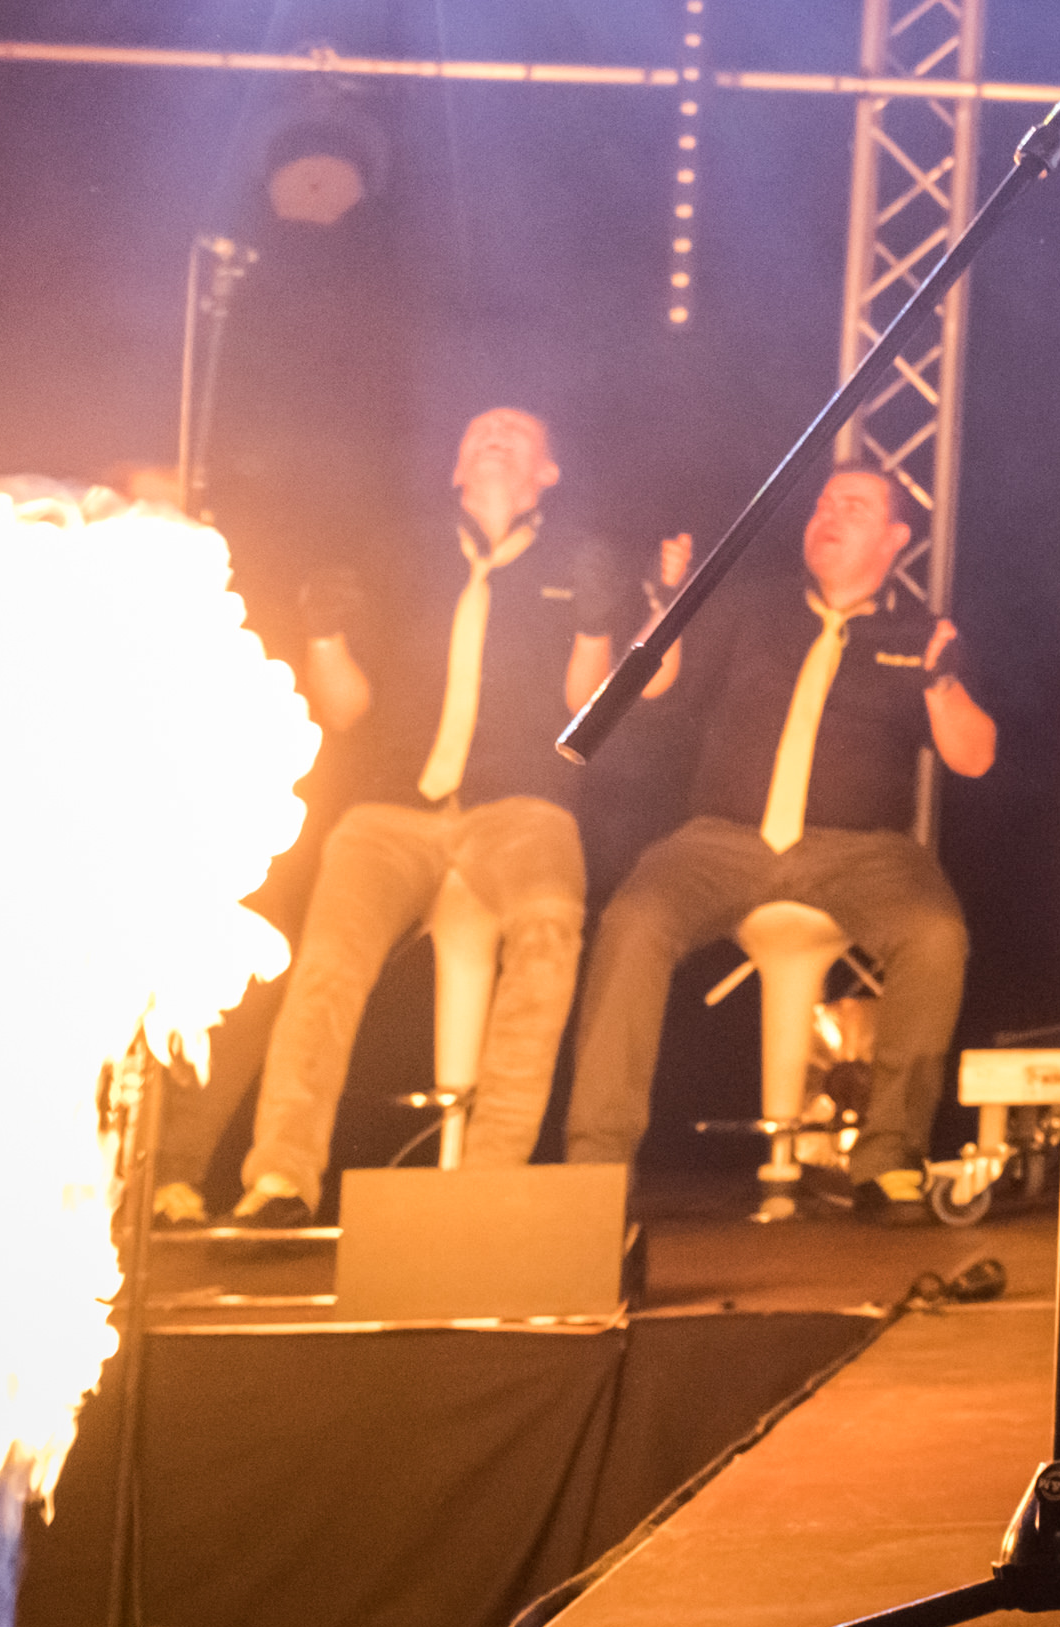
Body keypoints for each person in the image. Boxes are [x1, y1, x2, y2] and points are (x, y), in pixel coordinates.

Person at [559, 465, 994, 1220]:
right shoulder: (751, 607)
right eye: (823, 503)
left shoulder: (923, 632)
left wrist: (942, 683)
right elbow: (648, 687)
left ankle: (888, 1157)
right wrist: (665, 608)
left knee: (934, 934)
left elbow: (975, 757)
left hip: (861, 851)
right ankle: (596, 1165)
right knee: (632, 922)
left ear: (895, 538)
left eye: (853, 506)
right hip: (721, 839)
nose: (829, 515)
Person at [219, 408, 616, 1224]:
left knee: (549, 930)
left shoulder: (576, 558)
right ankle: (281, 1178)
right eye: (478, 432)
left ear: (548, 472)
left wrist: (596, 622)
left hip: (521, 804)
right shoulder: (400, 553)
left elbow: (588, 706)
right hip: (392, 808)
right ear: (455, 470)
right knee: (328, 960)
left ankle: (489, 1173)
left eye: (515, 432)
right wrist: (324, 635)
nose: (494, 436)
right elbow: (343, 709)